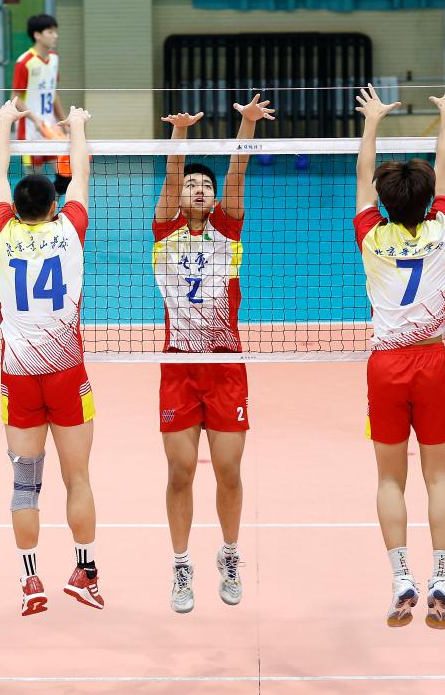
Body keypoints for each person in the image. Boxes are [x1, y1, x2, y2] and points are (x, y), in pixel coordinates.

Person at [354, 79, 445, 629]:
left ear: (385, 201)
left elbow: (363, 176)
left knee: (389, 478)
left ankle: (401, 576)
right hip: (432, 362)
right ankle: (441, 580)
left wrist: (372, 121)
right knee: (440, 477)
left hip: (385, 367)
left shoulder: (371, 236)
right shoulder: (443, 229)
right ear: (429, 202)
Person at [152, 95, 274, 614]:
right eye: (191, 186)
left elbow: (238, 175)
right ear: (180, 198)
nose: (199, 189)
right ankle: (181, 565)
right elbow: (170, 177)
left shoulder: (228, 231)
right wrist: (179, 136)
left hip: (225, 365)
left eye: (205, 185)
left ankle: (229, 554)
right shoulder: (164, 231)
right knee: (181, 471)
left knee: (228, 471)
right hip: (179, 365)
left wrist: (246, 125)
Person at [0, 97, 102, 616]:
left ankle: (30, 580)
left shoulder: (2, 233)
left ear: (15, 209)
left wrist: (5, 123)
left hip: (19, 375)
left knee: (24, 485)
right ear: (54, 207)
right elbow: (80, 173)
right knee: (78, 479)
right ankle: (85, 571)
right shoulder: (69, 229)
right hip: (67, 374)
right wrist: (76, 125)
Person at [11, 13, 70, 192]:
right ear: (37, 35)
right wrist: (35, 120)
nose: (55, 35)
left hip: (51, 129)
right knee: (34, 184)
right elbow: (15, 98)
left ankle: (51, 205)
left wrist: (63, 120)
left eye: (55, 31)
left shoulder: (54, 59)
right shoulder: (24, 62)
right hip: (31, 131)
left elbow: (52, 92)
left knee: (67, 176)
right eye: (50, 32)